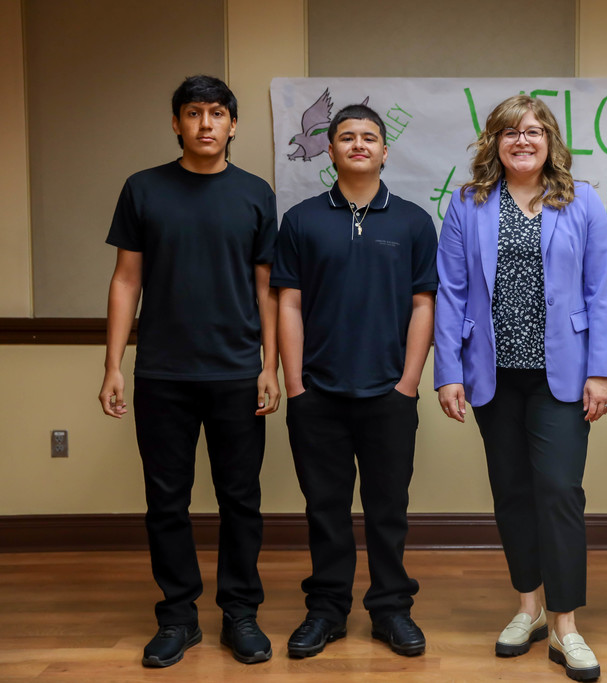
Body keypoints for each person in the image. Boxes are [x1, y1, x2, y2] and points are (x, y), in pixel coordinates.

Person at [433, 94, 607, 682]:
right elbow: (451, 292)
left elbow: (602, 290)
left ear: (550, 142)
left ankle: (566, 625)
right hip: (493, 375)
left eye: (534, 131)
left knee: (560, 491)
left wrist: (602, 370)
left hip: (561, 376)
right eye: (511, 132)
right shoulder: (468, 204)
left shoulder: (581, 200)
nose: (522, 140)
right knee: (511, 491)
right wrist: (450, 372)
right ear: (494, 141)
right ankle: (528, 608)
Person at [97, 75, 279, 667]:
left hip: (234, 372)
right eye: (194, 113)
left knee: (240, 500)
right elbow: (126, 280)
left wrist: (268, 366)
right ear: (175, 123)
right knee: (166, 501)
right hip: (163, 374)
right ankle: (177, 616)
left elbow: (265, 290)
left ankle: (240, 613)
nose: (206, 124)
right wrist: (113, 366)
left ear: (233, 124)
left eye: (218, 113)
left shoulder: (255, 193)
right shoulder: (143, 189)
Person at [272, 103, 437, 659]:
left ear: (385, 151)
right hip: (317, 393)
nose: (359, 144)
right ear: (332, 149)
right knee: (325, 508)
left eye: (369, 137)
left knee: (388, 510)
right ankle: (326, 611)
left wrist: (409, 382)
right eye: (347, 137)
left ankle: (391, 610)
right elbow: (287, 303)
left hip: (389, 393)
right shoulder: (300, 220)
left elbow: (423, 304)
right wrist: (294, 385)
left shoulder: (414, 221)